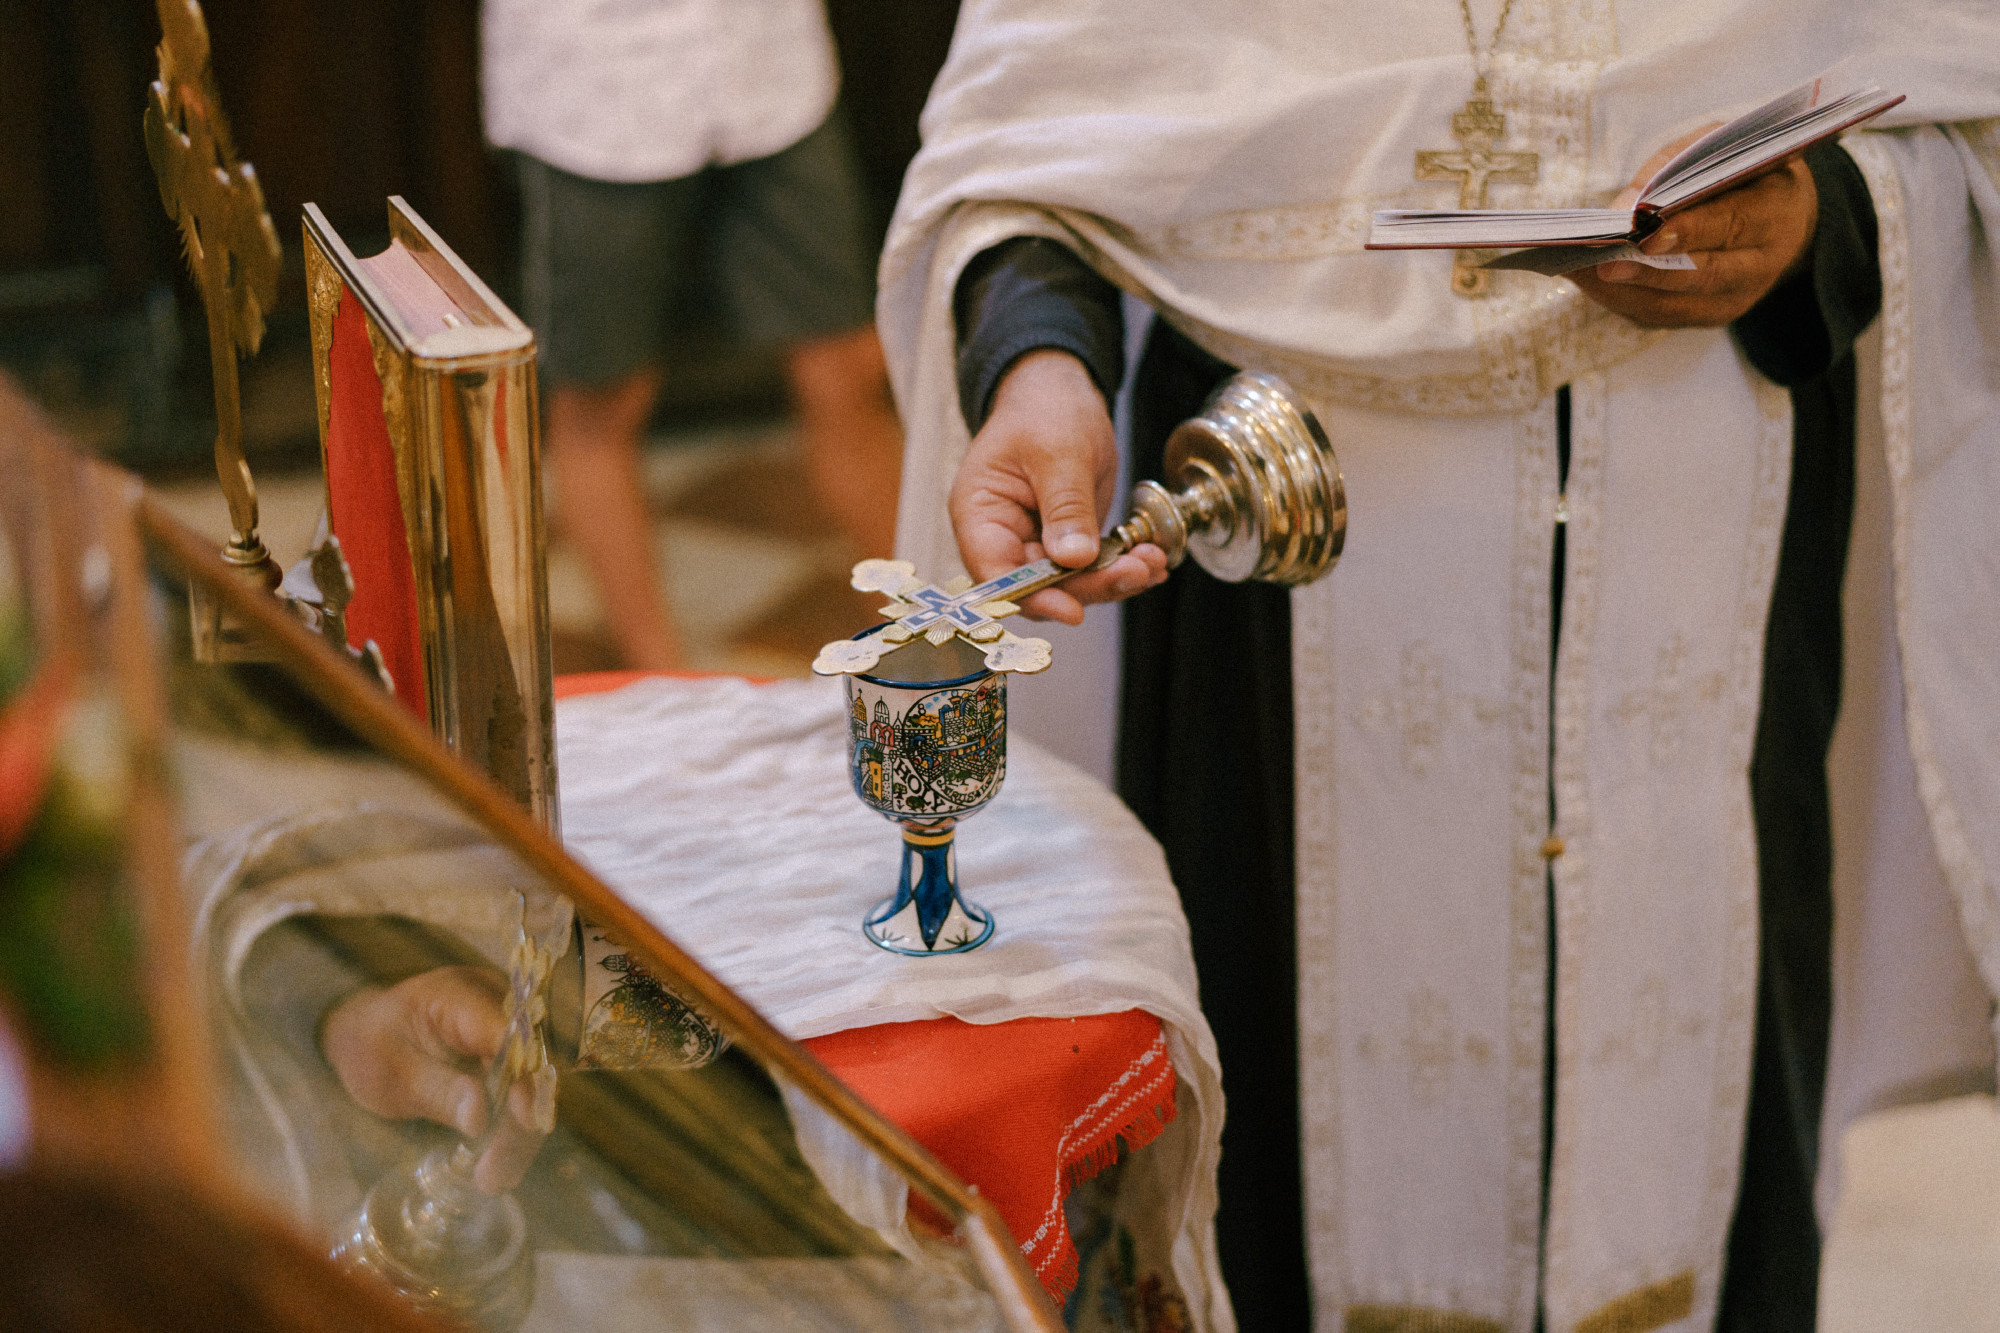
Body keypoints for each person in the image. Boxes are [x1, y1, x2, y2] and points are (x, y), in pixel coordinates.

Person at [877, 4, 2000, 1329]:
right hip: (1277, 571)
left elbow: (1948, 111)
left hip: (1713, 554)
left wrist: (1820, 220)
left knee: (1717, 1134)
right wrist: (1040, 368)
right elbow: (1035, 144)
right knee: (1274, 1159)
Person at [483, 0, 903, 669]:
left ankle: (922, 643)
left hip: (771, 67)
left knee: (848, 369)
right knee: (602, 399)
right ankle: (664, 678)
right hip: (597, 89)